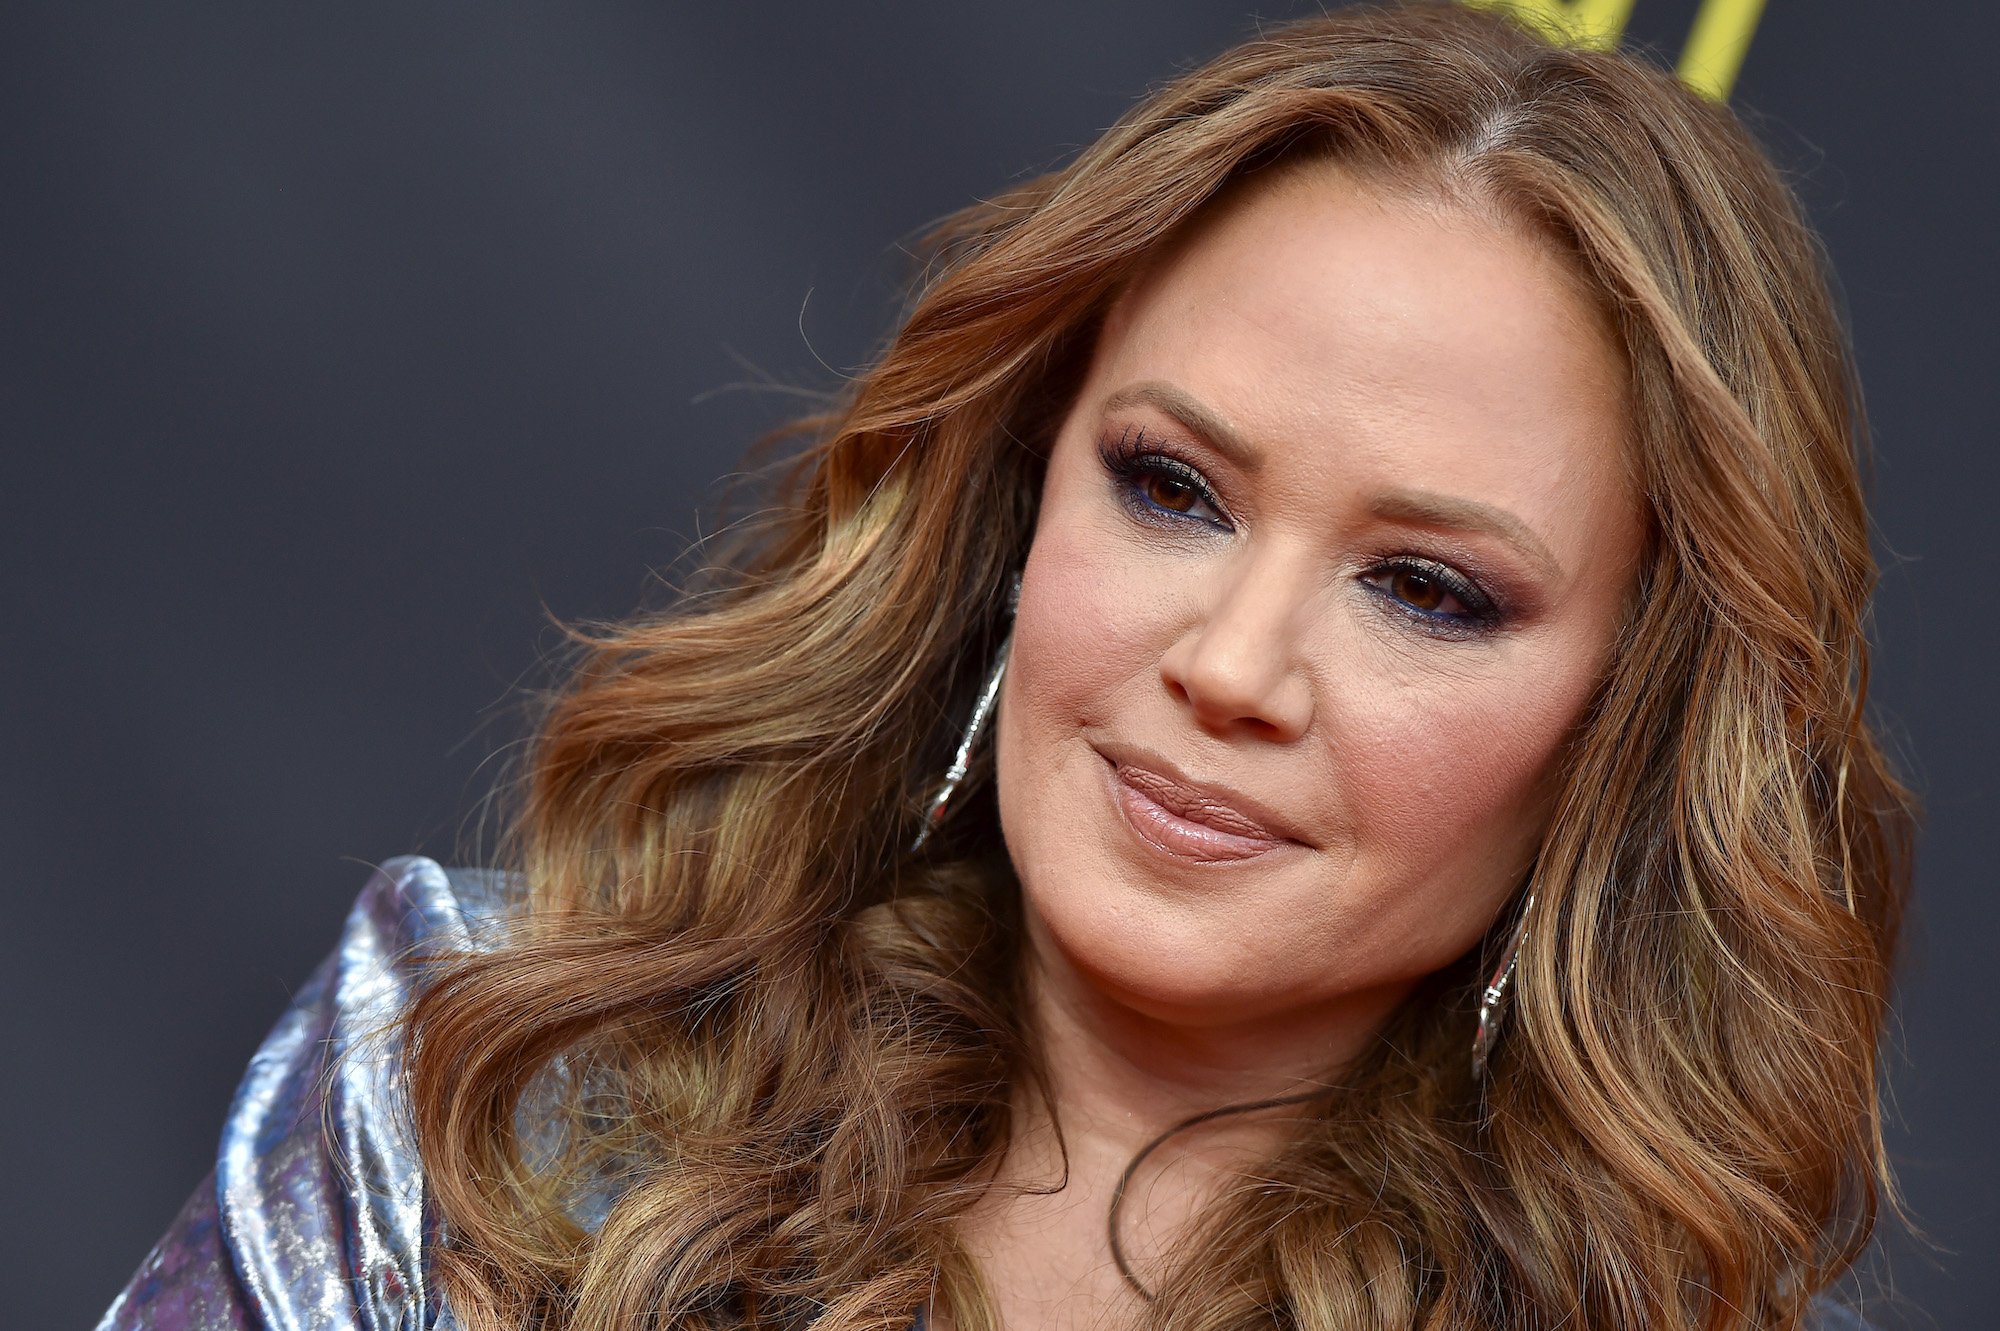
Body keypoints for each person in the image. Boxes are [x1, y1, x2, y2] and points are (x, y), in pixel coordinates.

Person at [96, 4, 1912, 1329]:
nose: (1233, 664)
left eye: (1427, 592)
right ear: (1027, 495)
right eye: (1173, 489)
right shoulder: (477, 1080)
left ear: (1628, 722)